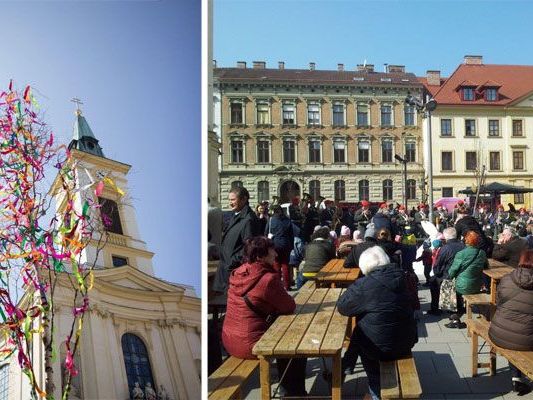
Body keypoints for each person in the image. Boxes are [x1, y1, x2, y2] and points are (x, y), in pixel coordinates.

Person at [222, 236, 307, 396]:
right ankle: (294, 394)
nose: (275, 254)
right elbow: (289, 306)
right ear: (260, 256)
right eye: (272, 251)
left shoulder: (238, 273)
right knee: (294, 346)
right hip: (249, 344)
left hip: (229, 340)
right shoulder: (267, 279)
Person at [338, 246, 417, 399]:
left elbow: (343, 307)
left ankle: (374, 391)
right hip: (406, 341)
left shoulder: (364, 284)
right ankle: (345, 366)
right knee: (361, 330)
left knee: (361, 333)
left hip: (378, 349)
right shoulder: (405, 277)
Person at [488, 249, 533, 396]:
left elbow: (498, 302)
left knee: (518, 331)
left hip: (498, 333)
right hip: (523, 339)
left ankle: (516, 377)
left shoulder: (507, 278)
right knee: (522, 333)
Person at [213, 186, 259, 293]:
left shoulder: (249, 220)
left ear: (243, 199)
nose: (230, 203)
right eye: (229, 200)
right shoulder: (236, 215)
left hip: (235, 272)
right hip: (226, 270)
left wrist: (231, 262)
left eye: (233, 200)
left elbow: (249, 248)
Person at [445, 231, 488, 329]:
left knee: (450, 289)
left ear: (466, 241)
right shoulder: (482, 253)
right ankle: (460, 312)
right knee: (458, 287)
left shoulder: (461, 254)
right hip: (476, 285)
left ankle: (455, 317)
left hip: (463, 286)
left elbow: (453, 270)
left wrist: (449, 278)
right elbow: (486, 266)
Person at [427, 227, 465, 316]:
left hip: (448, 276)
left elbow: (437, 265)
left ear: (445, 236)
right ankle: (456, 305)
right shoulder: (463, 246)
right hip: (461, 275)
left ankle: (436, 309)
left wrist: (437, 274)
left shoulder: (445, 248)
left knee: (433, 281)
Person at [266, 205, 294, 290]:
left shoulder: (271, 220)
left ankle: (278, 286)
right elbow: (291, 234)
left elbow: (266, 232)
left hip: (275, 244)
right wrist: (291, 246)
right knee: (285, 265)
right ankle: (287, 285)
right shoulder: (287, 220)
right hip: (286, 244)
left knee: (276, 265)